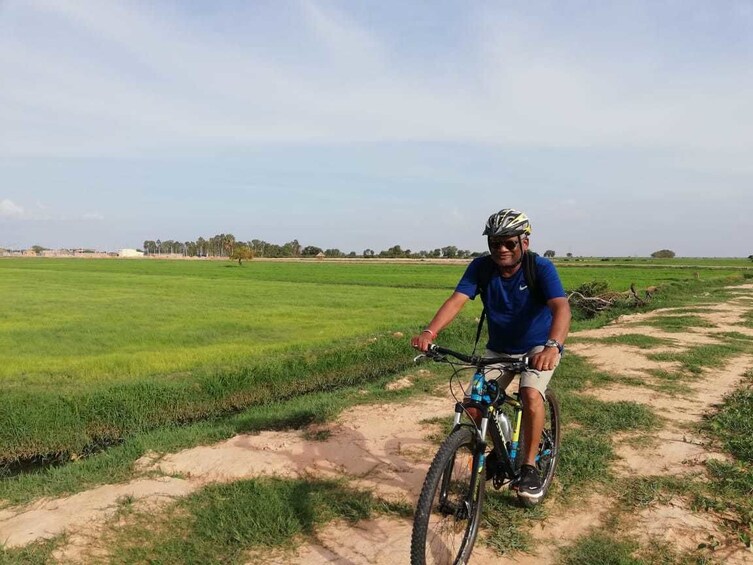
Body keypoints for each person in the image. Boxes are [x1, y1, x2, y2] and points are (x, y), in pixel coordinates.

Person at [411, 208, 571, 503]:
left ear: (524, 241)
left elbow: (561, 307)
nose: (501, 249)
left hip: (537, 346)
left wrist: (552, 347)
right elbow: (456, 301)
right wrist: (429, 333)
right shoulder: (481, 268)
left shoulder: (541, 268)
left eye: (509, 242)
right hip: (498, 348)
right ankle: (496, 450)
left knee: (530, 394)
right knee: (473, 407)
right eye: (494, 243)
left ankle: (529, 467)